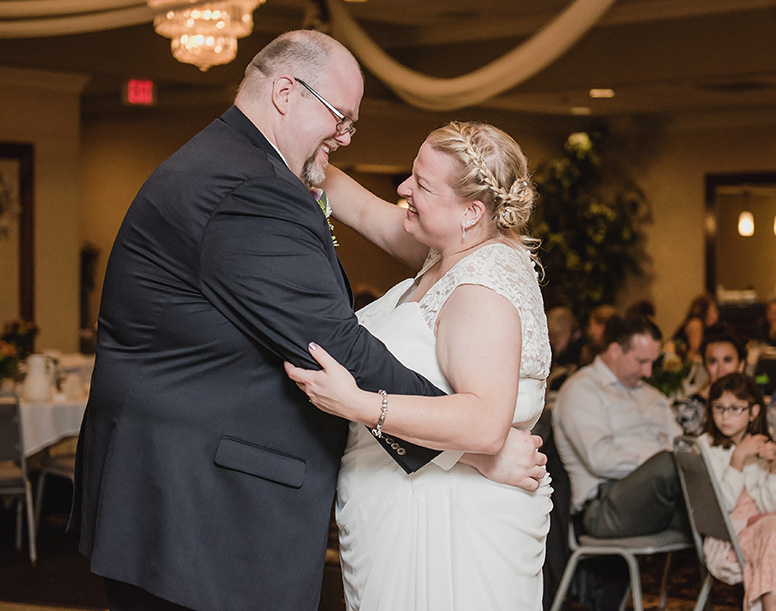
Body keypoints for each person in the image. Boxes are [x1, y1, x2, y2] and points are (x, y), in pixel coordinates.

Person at [70, 32, 542, 611]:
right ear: (287, 93)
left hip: (200, 498)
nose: (344, 137)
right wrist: (474, 451)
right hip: (199, 507)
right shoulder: (250, 189)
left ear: (473, 212)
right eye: (341, 118)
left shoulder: (234, 163)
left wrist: (315, 160)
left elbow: (366, 211)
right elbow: (336, 344)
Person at [285, 121, 553, 610]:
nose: (403, 189)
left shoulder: (481, 289)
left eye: (422, 185)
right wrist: (291, 137)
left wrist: (361, 405)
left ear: (472, 211)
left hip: (451, 519)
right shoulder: (447, 251)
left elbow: (485, 424)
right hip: (404, 503)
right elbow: (359, 205)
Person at [699, 373, 776, 611]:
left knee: (774, 531)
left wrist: (775, 469)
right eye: (719, 408)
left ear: (754, 412)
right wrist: (738, 458)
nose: (725, 416)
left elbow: (771, 509)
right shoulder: (706, 447)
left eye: (735, 408)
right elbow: (721, 506)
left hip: (764, 531)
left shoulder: (761, 444)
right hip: (728, 537)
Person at [552, 314, 686, 539]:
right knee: (670, 465)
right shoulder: (582, 390)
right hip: (605, 505)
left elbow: (681, 446)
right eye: (642, 361)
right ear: (615, 350)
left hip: (661, 495)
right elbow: (600, 458)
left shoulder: (653, 396)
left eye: (653, 362)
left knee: (722, 508)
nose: (648, 372)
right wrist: (658, 461)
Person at [673, 325, 748, 436]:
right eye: (713, 361)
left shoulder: (750, 403)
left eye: (727, 360)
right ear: (705, 366)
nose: (721, 369)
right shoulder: (689, 408)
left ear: (741, 365)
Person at [673, 292, 719, 362]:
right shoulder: (696, 323)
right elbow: (694, 351)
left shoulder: (706, 327)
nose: (715, 314)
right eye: (713, 310)